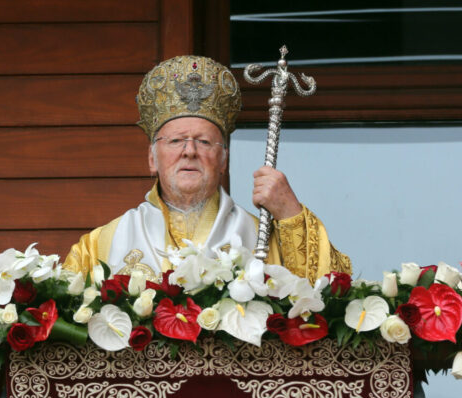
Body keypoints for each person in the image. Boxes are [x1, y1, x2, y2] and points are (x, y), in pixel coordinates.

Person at [63, 55, 350, 281]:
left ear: (224, 160)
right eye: (176, 141)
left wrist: (290, 215)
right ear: (152, 159)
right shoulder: (97, 247)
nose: (189, 151)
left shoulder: (262, 237)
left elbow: (332, 291)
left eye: (203, 141)